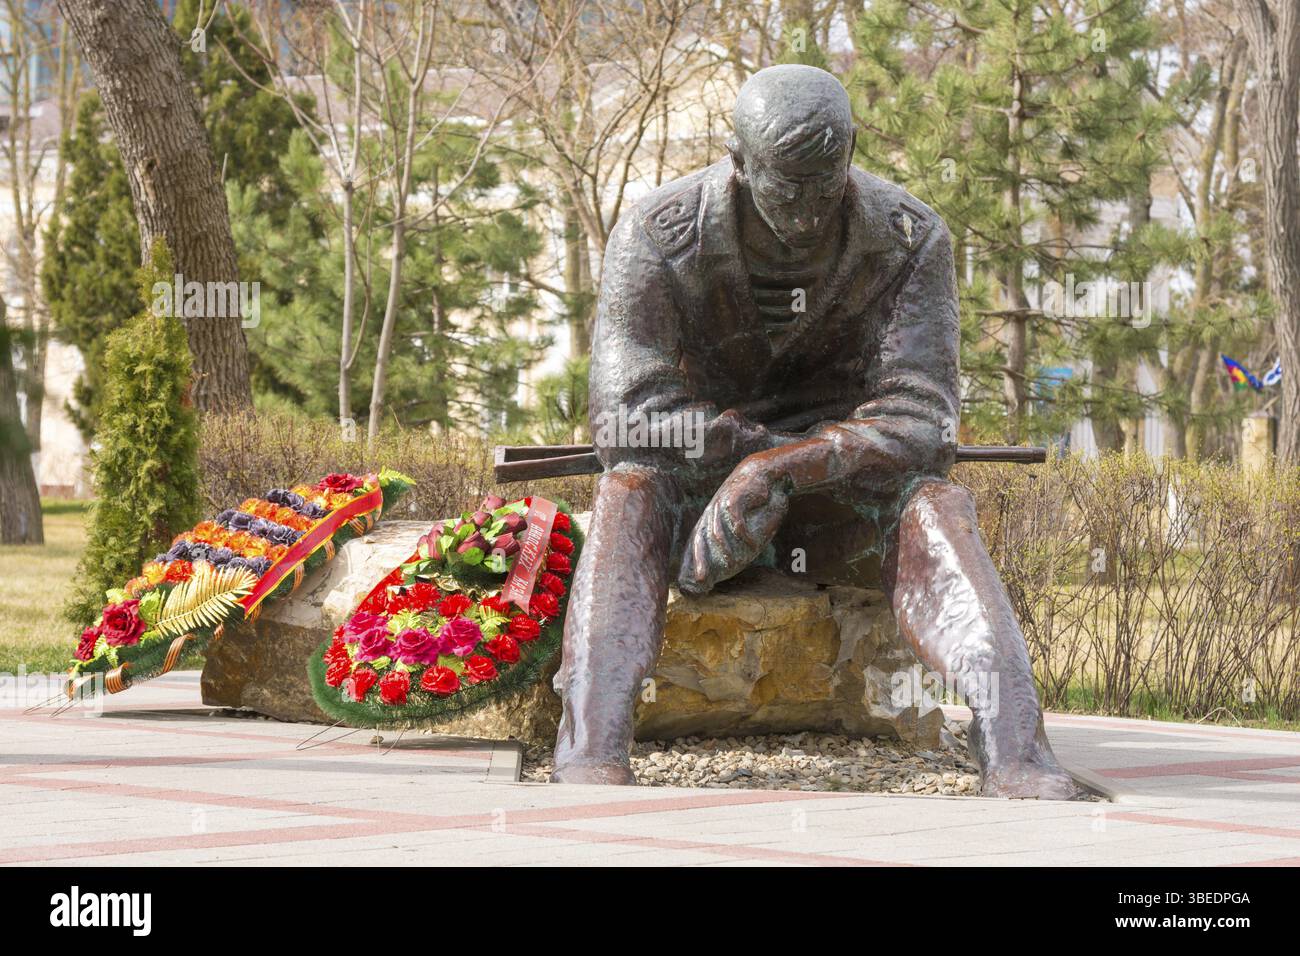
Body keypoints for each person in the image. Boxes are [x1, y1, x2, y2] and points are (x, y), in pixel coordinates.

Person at [551, 64, 1083, 800]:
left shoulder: (910, 238)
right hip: (698, 490)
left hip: (841, 493)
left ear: (853, 149)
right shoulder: (656, 234)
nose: (805, 206)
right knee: (629, 489)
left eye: (824, 180)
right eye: (784, 183)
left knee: (936, 505)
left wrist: (786, 469)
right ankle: (590, 743)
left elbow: (925, 423)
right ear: (737, 161)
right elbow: (626, 415)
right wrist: (750, 460)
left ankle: (1017, 749)